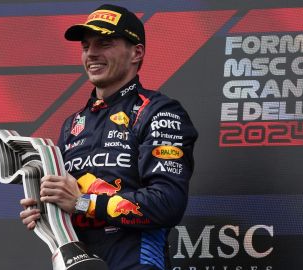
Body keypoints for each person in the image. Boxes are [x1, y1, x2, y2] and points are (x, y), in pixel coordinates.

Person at [20, 4, 198, 270]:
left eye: (105, 43)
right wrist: (48, 210)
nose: (92, 53)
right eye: (86, 46)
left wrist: (80, 202)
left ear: (136, 52)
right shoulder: (73, 124)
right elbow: (69, 201)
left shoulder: (158, 111)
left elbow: (167, 203)